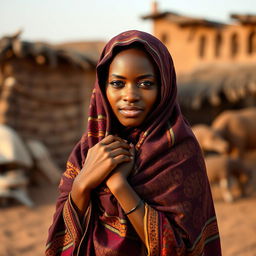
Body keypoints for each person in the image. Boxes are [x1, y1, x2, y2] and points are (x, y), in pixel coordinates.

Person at [46, 30, 222, 255]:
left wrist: (119, 185)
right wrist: (82, 185)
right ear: (102, 87)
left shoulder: (179, 152)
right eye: (118, 84)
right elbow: (59, 242)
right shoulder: (87, 152)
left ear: (164, 88)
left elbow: (181, 249)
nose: (130, 95)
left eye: (146, 84)